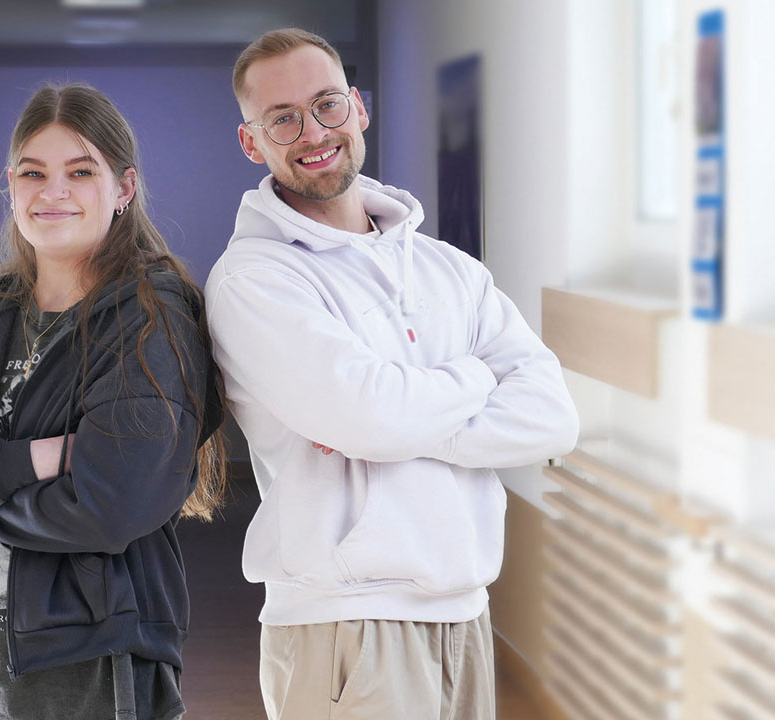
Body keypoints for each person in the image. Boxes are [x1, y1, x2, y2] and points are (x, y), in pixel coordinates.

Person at [203, 28, 579, 720]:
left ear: (358, 108)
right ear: (251, 142)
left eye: (327, 105)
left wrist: (395, 420)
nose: (312, 130)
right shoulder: (255, 279)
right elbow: (371, 417)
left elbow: (552, 417)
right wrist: (474, 377)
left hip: (466, 611)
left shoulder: (450, 269)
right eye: (282, 118)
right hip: (344, 624)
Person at [0, 83, 226, 720]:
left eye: (80, 172)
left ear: (124, 189)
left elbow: (108, 505)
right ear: (10, 186)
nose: (52, 191)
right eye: (33, 173)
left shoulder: (153, 318)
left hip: (90, 684)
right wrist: (34, 460)